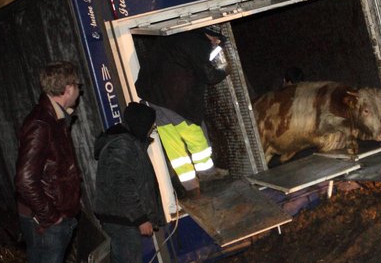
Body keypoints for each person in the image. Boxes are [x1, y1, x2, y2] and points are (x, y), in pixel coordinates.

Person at [135, 25, 229, 197]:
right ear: (211, 35)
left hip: (152, 98)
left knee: (172, 144)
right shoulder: (197, 41)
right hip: (175, 100)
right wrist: (224, 71)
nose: (216, 43)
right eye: (217, 39)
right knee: (196, 138)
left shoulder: (174, 35)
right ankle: (208, 177)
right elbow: (208, 75)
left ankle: (190, 186)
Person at [14, 61, 83, 263]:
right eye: (78, 85)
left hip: (52, 216)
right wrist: (51, 216)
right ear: (68, 88)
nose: (79, 91)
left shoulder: (54, 119)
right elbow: (24, 180)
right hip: (47, 221)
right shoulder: (41, 123)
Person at [94, 102, 165, 263]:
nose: (153, 126)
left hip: (123, 219)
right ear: (141, 123)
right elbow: (123, 186)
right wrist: (140, 218)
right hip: (123, 221)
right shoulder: (122, 146)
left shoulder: (128, 143)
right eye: (150, 123)